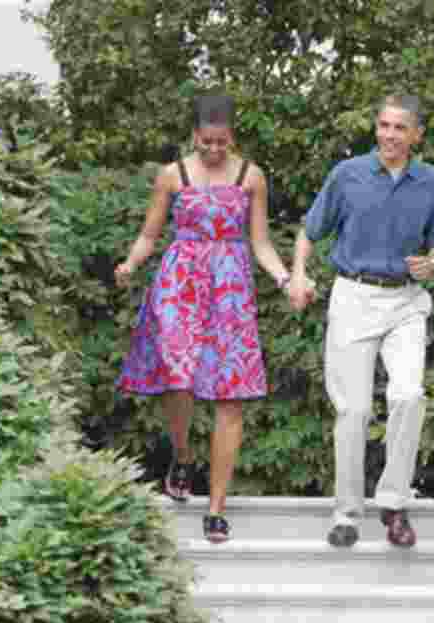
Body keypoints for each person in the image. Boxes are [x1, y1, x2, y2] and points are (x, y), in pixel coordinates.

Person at [115, 93, 298, 543]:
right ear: (194, 135)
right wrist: (130, 265)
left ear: (232, 136)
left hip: (230, 292)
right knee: (177, 382)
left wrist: (284, 278)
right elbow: (148, 234)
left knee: (229, 396)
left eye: (222, 141)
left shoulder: (250, 176)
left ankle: (216, 506)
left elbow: (261, 243)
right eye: (206, 142)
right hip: (179, 286)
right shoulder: (171, 175)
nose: (214, 150)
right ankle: (182, 455)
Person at [287, 94, 434, 548]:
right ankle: (346, 514)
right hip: (353, 297)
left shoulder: (432, 182)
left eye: (400, 128)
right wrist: (299, 273)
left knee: (409, 394)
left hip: (406, 301)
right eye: (383, 126)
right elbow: (309, 232)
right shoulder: (348, 175)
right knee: (353, 410)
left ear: (417, 135)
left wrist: (432, 264)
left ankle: (394, 504)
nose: (389, 135)